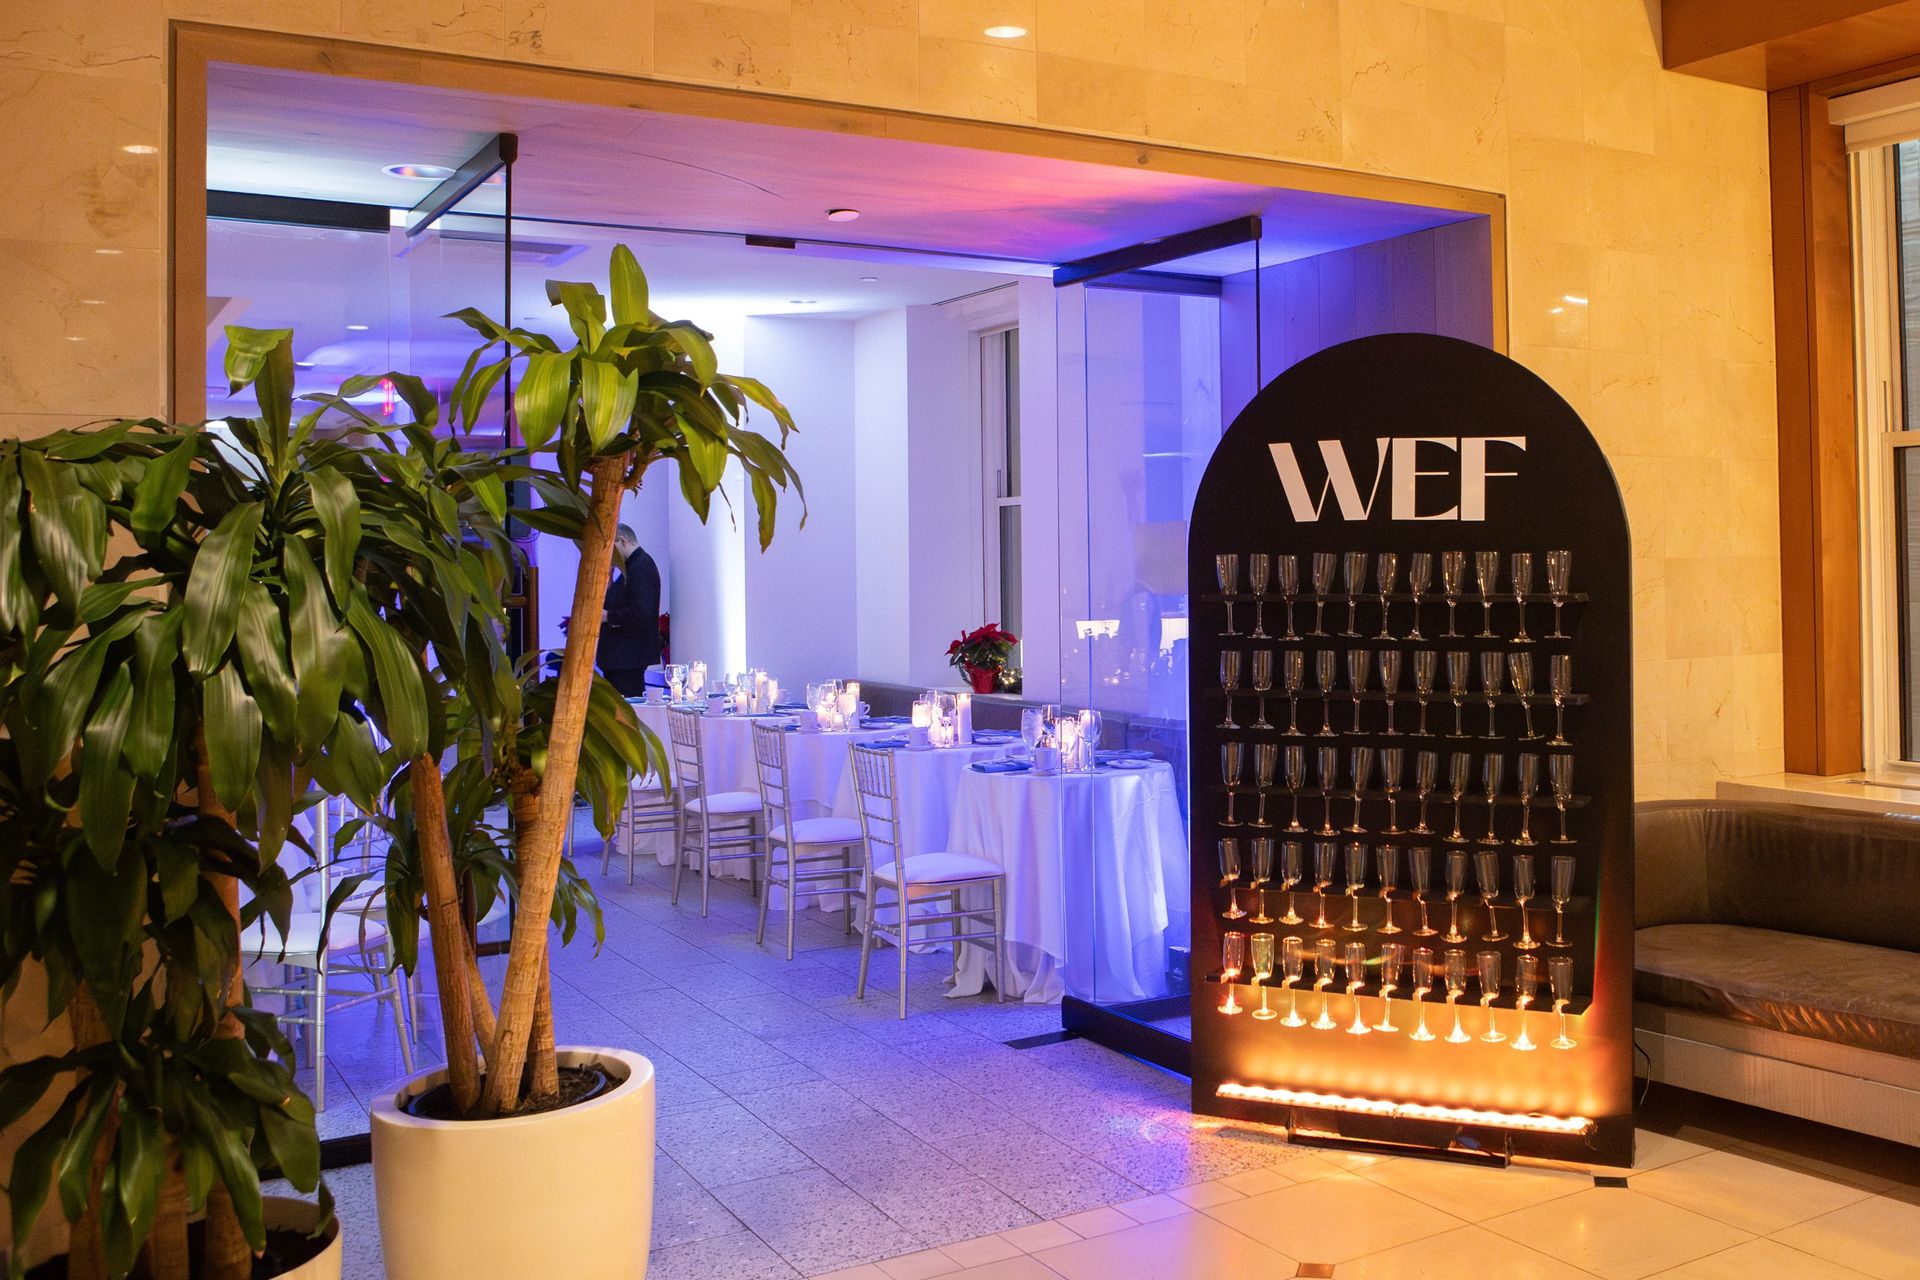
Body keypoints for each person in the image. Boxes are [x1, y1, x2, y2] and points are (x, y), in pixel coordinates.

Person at [598, 525, 661, 696]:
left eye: (611, 549)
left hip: (627, 658)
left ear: (623, 541)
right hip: (623, 658)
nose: (609, 556)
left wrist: (608, 616)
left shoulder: (640, 567)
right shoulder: (634, 566)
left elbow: (643, 610)